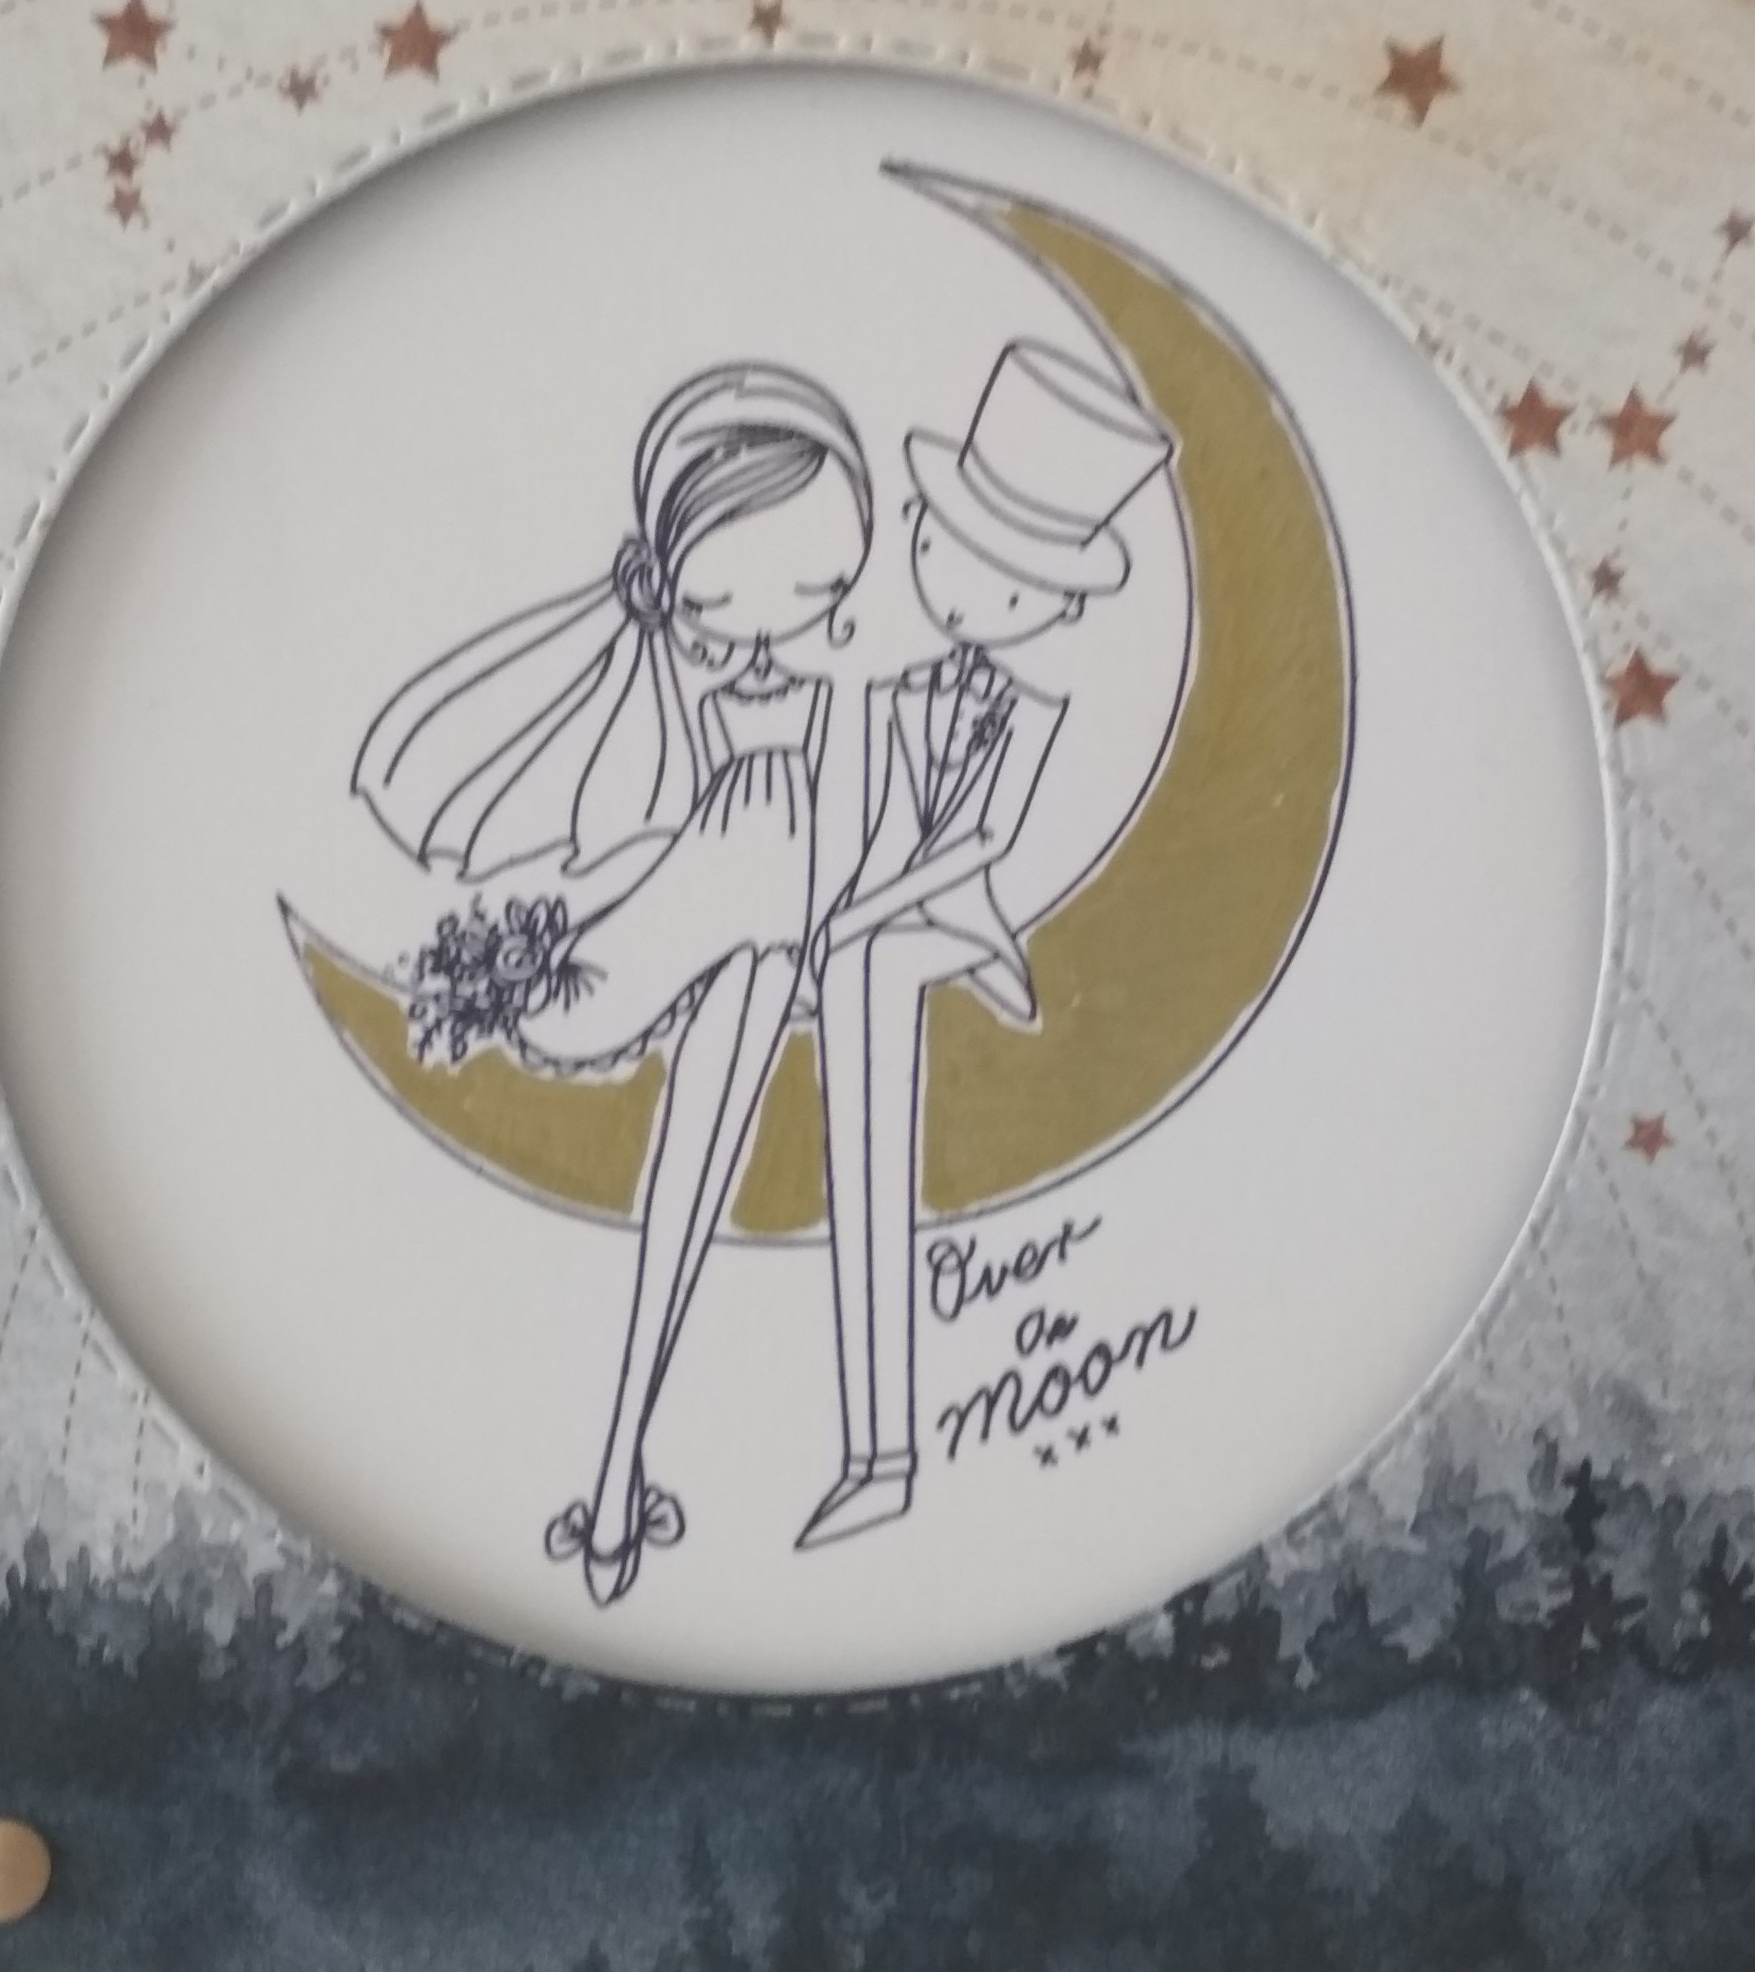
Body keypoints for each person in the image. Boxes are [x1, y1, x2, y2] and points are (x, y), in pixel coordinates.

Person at [353, 364, 877, 1603]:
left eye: (816, 593)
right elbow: (652, 823)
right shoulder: (676, 690)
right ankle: (610, 1480)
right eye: (720, 604)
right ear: (667, 586)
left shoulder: (846, 689)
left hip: (771, 932)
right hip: (709, 919)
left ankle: (609, 1482)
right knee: (682, 1179)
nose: (766, 636)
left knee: (687, 1186)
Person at [799, 339, 1176, 1549]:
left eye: (1012, 587)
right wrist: (839, 908)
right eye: (948, 554)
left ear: (1058, 605)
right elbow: (855, 827)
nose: (966, 597)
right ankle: (875, 1448)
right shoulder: (887, 685)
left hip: (956, 917)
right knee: (847, 973)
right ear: (918, 533)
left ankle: (883, 1450)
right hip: (871, 914)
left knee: (865, 966)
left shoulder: (1036, 707)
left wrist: (862, 914)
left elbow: (979, 847)